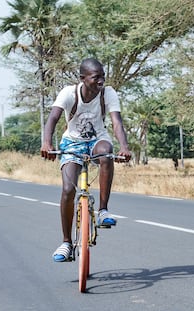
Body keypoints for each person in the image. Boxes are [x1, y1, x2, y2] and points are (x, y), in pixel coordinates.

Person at [40, 58, 131, 262]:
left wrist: (124, 147)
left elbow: (116, 122)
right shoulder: (69, 93)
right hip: (72, 143)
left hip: (97, 140)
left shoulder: (108, 93)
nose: (101, 81)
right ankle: (66, 242)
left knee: (107, 151)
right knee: (67, 190)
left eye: (103, 76)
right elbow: (52, 119)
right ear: (83, 78)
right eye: (96, 77)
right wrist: (47, 143)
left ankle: (103, 210)